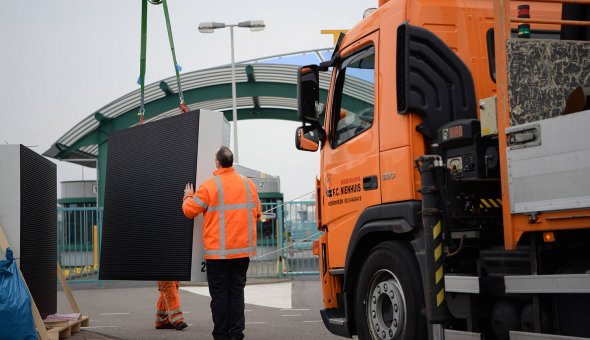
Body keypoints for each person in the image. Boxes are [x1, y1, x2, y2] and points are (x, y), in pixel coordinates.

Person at [182, 146, 261, 340]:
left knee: (219, 295)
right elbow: (257, 214)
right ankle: (236, 334)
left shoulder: (209, 186)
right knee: (236, 293)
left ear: (218, 163)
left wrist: (187, 196)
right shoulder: (248, 185)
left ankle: (221, 335)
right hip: (242, 253)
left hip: (217, 254)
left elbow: (189, 211)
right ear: (231, 162)